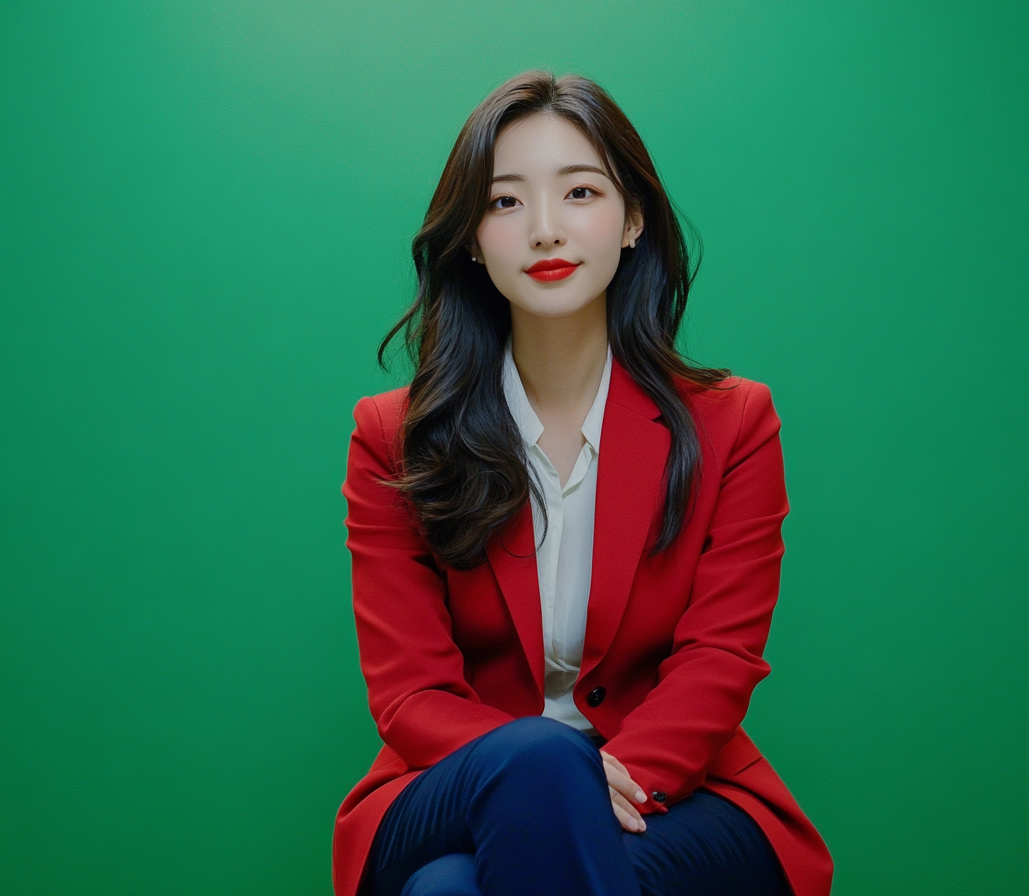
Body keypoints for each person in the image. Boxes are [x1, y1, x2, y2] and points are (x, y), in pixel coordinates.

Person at [334, 71, 832, 896]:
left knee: (451, 891)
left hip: (681, 791)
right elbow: (411, 692)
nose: (546, 230)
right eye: (505, 203)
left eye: (580, 191)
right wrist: (554, 775)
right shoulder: (393, 437)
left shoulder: (734, 423)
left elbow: (720, 660)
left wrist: (591, 783)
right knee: (537, 760)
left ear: (632, 218)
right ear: (468, 237)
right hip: (454, 782)